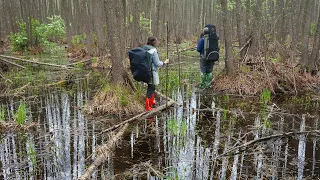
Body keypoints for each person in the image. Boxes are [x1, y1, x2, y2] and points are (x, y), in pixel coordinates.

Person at [142, 36, 169, 111]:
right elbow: (157, 63)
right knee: (151, 88)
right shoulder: (153, 50)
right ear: (154, 42)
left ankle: (151, 102)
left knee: (152, 87)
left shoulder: (144, 48)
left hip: (144, 71)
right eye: (156, 41)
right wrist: (164, 62)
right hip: (151, 72)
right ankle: (148, 107)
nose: (157, 43)